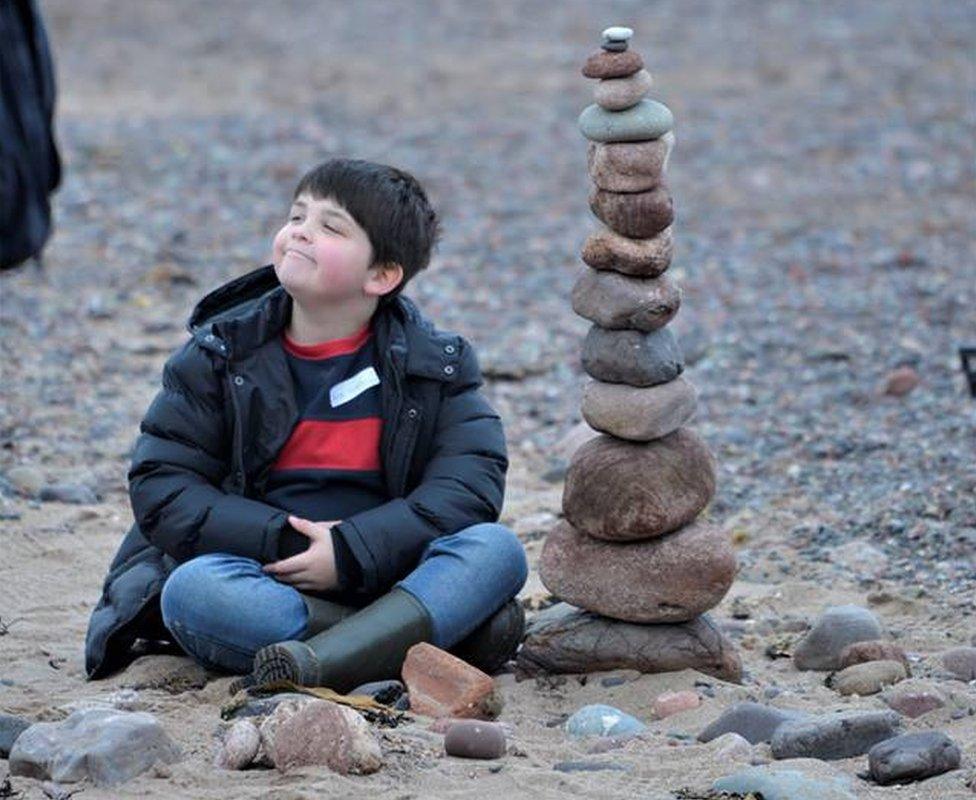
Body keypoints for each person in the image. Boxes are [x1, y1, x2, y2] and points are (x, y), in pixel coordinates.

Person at [84, 158, 529, 693]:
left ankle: (320, 664)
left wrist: (353, 553)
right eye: (298, 215)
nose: (301, 230)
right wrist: (285, 547)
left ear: (381, 275)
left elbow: (469, 488)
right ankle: (409, 646)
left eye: (330, 226)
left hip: (392, 577)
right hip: (271, 581)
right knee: (193, 591)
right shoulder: (220, 355)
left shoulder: (436, 365)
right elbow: (163, 486)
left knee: (496, 550)